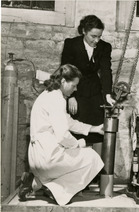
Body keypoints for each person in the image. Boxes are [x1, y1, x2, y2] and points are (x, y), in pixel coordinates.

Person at [18, 64, 105, 205]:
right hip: (48, 158)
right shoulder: (57, 99)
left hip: (35, 158)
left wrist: (94, 128)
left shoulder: (47, 95)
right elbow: (63, 135)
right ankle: (56, 191)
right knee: (93, 158)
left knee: (73, 156)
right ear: (63, 81)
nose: (75, 89)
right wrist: (78, 145)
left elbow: (68, 122)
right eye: (74, 85)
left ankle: (35, 183)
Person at [61, 15, 115, 145]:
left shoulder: (104, 47)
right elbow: (66, 71)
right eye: (93, 36)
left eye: (99, 36)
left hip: (95, 92)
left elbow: (106, 71)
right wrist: (71, 97)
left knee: (97, 131)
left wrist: (107, 94)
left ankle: (94, 161)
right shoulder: (71, 44)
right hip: (77, 91)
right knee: (78, 131)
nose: (96, 40)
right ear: (84, 31)